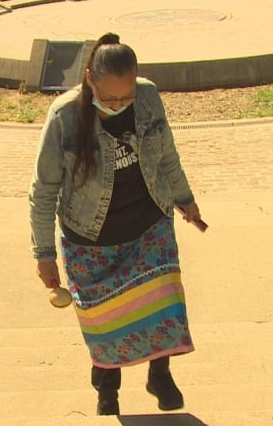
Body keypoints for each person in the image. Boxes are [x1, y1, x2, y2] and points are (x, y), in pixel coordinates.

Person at [28, 32, 204, 416]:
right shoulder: (64, 116)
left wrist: (185, 201)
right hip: (89, 237)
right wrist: (44, 255)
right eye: (109, 99)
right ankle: (107, 389)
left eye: (126, 98)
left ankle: (160, 374)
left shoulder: (148, 97)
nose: (120, 105)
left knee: (162, 309)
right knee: (104, 321)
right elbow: (43, 191)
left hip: (149, 224)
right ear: (90, 78)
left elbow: (167, 155)